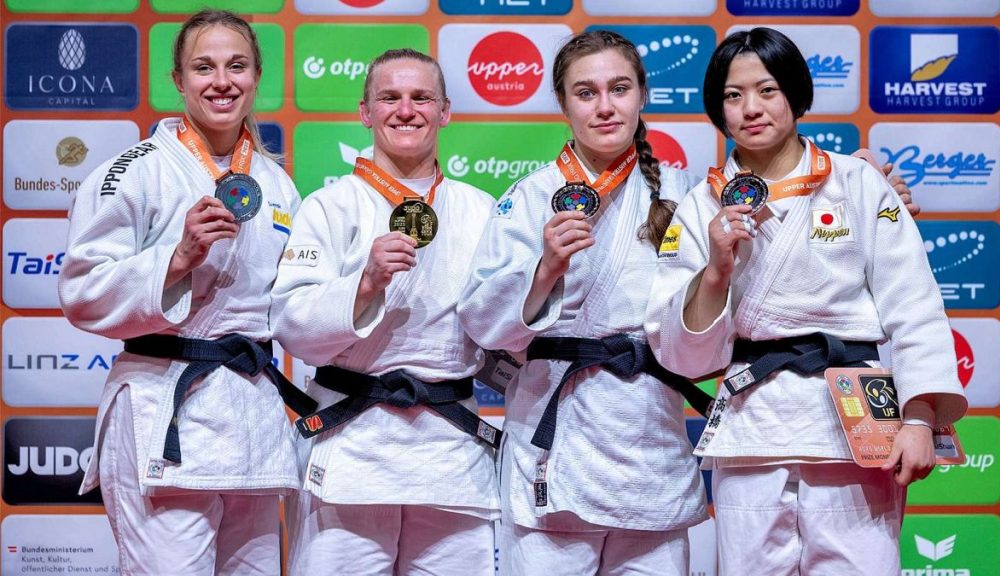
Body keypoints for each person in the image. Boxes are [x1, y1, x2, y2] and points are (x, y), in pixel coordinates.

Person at [644, 27, 968, 575]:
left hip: (853, 424)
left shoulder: (858, 184)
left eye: (767, 90)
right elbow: (681, 354)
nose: (751, 108)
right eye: (733, 95)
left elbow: (914, 303)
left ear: (796, 94)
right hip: (754, 429)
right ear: (717, 109)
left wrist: (918, 419)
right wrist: (718, 271)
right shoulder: (704, 203)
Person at [58, 9, 315, 575]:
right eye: (204, 67)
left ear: (255, 76)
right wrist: (175, 259)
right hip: (164, 408)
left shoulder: (275, 183)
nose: (221, 81)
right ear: (178, 80)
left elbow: (294, 296)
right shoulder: (133, 171)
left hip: (250, 414)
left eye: (236, 66)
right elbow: (80, 290)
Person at [458, 31, 711, 575]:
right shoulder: (529, 196)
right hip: (557, 440)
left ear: (642, 94)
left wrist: (859, 190)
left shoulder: (685, 193)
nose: (604, 106)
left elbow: (733, 284)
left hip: (648, 435)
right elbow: (481, 320)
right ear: (563, 104)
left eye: (618, 88)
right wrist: (544, 268)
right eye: (586, 92)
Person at [271, 49, 499, 576]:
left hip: (449, 447)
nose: (406, 110)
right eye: (389, 98)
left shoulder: (480, 209)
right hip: (353, 446)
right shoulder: (328, 207)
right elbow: (290, 323)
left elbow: (501, 325)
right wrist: (365, 283)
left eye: (421, 98)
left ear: (445, 111)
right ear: (365, 112)